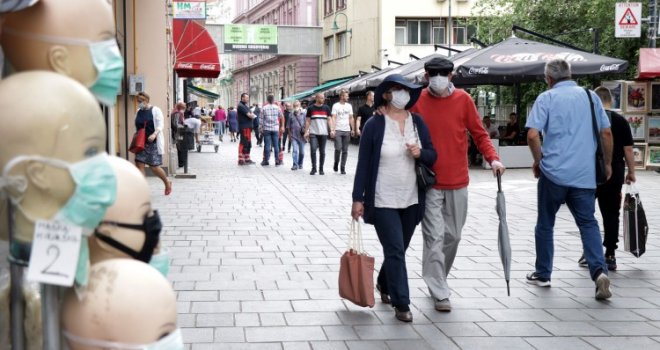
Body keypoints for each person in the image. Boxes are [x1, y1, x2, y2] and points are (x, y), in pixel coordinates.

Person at [410, 57, 505, 312]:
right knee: (433, 236)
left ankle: (438, 276)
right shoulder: (417, 101)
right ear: (426, 76)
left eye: (443, 74)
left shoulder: (463, 99)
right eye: (433, 74)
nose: (438, 78)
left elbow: (479, 132)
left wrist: (493, 159)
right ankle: (439, 289)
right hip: (429, 180)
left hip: (458, 179)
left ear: (451, 76)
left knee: (454, 235)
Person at [525, 58, 613, 300]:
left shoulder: (546, 98)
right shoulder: (590, 97)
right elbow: (605, 132)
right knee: (588, 223)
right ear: (570, 74)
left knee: (545, 223)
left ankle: (543, 273)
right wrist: (606, 163)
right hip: (584, 174)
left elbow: (533, 134)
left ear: (548, 78)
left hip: (553, 174)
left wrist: (538, 160)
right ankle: (599, 272)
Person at [351, 74, 437, 323]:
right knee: (396, 250)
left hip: (411, 199)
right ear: (387, 94)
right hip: (382, 199)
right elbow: (363, 165)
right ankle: (402, 303)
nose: (404, 94)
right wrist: (358, 199)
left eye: (407, 90)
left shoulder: (417, 122)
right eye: (398, 90)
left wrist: (421, 153)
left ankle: (383, 283)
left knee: (398, 249)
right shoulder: (374, 125)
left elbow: (433, 156)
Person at [577, 86, 636, 271]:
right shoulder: (620, 121)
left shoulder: (588, 120)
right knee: (611, 213)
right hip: (615, 171)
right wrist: (631, 172)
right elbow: (628, 149)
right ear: (611, 100)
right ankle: (610, 254)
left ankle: (589, 252)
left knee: (586, 214)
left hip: (590, 171)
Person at [134, 92, 172, 196]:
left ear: (146, 101)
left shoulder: (155, 110)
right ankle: (143, 190)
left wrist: (154, 134)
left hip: (153, 143)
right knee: (139, 165)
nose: (139, 104)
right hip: (141, 143)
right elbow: (136, 126)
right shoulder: (138, 111)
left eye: (140, 102)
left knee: (154, 167)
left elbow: (160, 125)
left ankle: (167, 182)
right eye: (138, 102)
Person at [304, 92, 334, 175]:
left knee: (322, 151)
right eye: (321, 98)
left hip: (323, 133)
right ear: (316, 98)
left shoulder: (326, 108)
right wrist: (306, 131)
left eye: (323, 98)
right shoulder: (310, 108)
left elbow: (329, 119)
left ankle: (321, 169)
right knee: (313, 149)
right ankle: (314, 168)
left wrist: (332, 130)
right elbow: (308, 121)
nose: (323, 99)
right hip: (313, 132)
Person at [331, 89, 355, 174]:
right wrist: (333, 129)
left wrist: (353, 129)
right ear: (341, 96)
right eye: (346, 96)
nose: (348, 97)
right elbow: (333, 118)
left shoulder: (349, 106)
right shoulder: (335, 106)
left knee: (345, 150)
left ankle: (342, 167)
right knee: (338, 149)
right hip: (338, 129)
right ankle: (336, 162)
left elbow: (351, 118)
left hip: (347, 130)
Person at [260, 94, 284, 166]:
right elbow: (282, 117)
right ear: (273, 100)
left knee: (267, 145)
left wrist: (260, 128)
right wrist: (282, 126)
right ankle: (277, 160)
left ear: (267, 100)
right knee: (276, 145)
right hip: (275, 129)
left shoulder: (264, 108)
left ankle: (266, 160)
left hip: (266, 129)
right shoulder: (278, 108)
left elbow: (261, 120)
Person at [237, 93, 256, 165]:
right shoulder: (241, 106)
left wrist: (252, 115)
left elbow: (251, 114)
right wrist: (253, 116)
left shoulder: (245, 106)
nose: (247, 99)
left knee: (248, 143)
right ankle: (241, 159)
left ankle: (247, 158)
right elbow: (250, 115)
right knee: (243, 143)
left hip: (248, 127)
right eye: (246, 98)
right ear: (242, 98)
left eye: (248, 98)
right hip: (244, 127)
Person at [288, 100, 306, 170]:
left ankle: (300, 163)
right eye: (295, 106)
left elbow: (307, 123)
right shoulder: (291, 114)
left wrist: (306, 131)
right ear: (293, 106)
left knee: (302, 152)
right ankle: (295, 164)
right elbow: (288, 126)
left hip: (302, 136)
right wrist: (289, 135)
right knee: (295, 150)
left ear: (300, 105)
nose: (296, 107)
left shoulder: (304, 113)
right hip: (294, 136)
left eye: (297, 105)